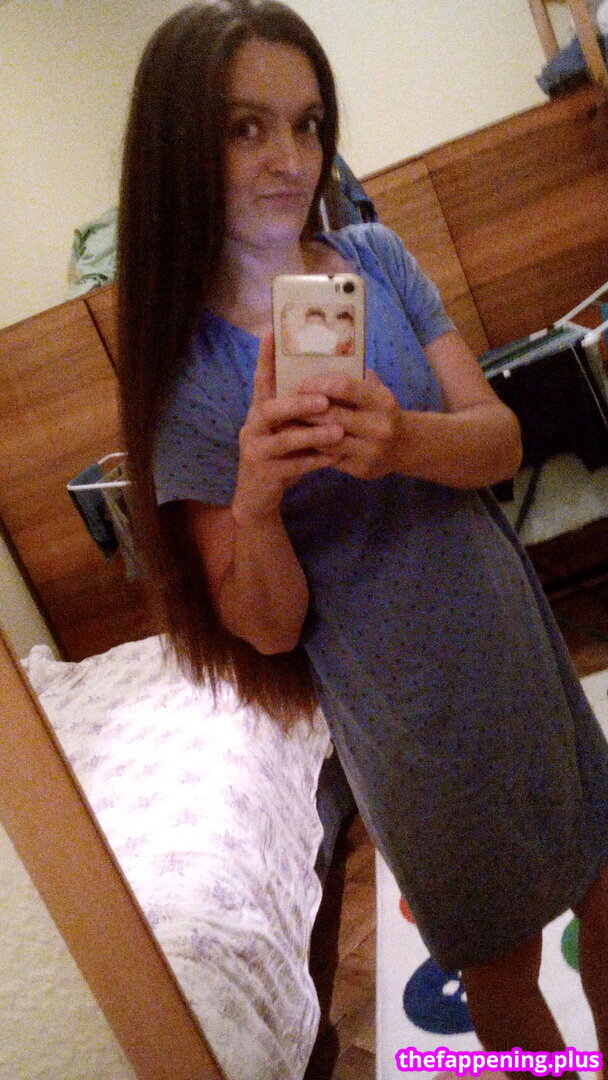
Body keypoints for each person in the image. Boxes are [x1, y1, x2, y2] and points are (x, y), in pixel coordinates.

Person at [117, 0, 608, 1069]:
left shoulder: (375, 258)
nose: (288, 158)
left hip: (517, 654)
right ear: (178, 149)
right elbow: (267, 628)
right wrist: (255, 497)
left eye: (305, 123)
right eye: (244, 128)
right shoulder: (184, 382)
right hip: (408, 724)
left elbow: (499, 441)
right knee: (501, 972)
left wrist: (402, 440)